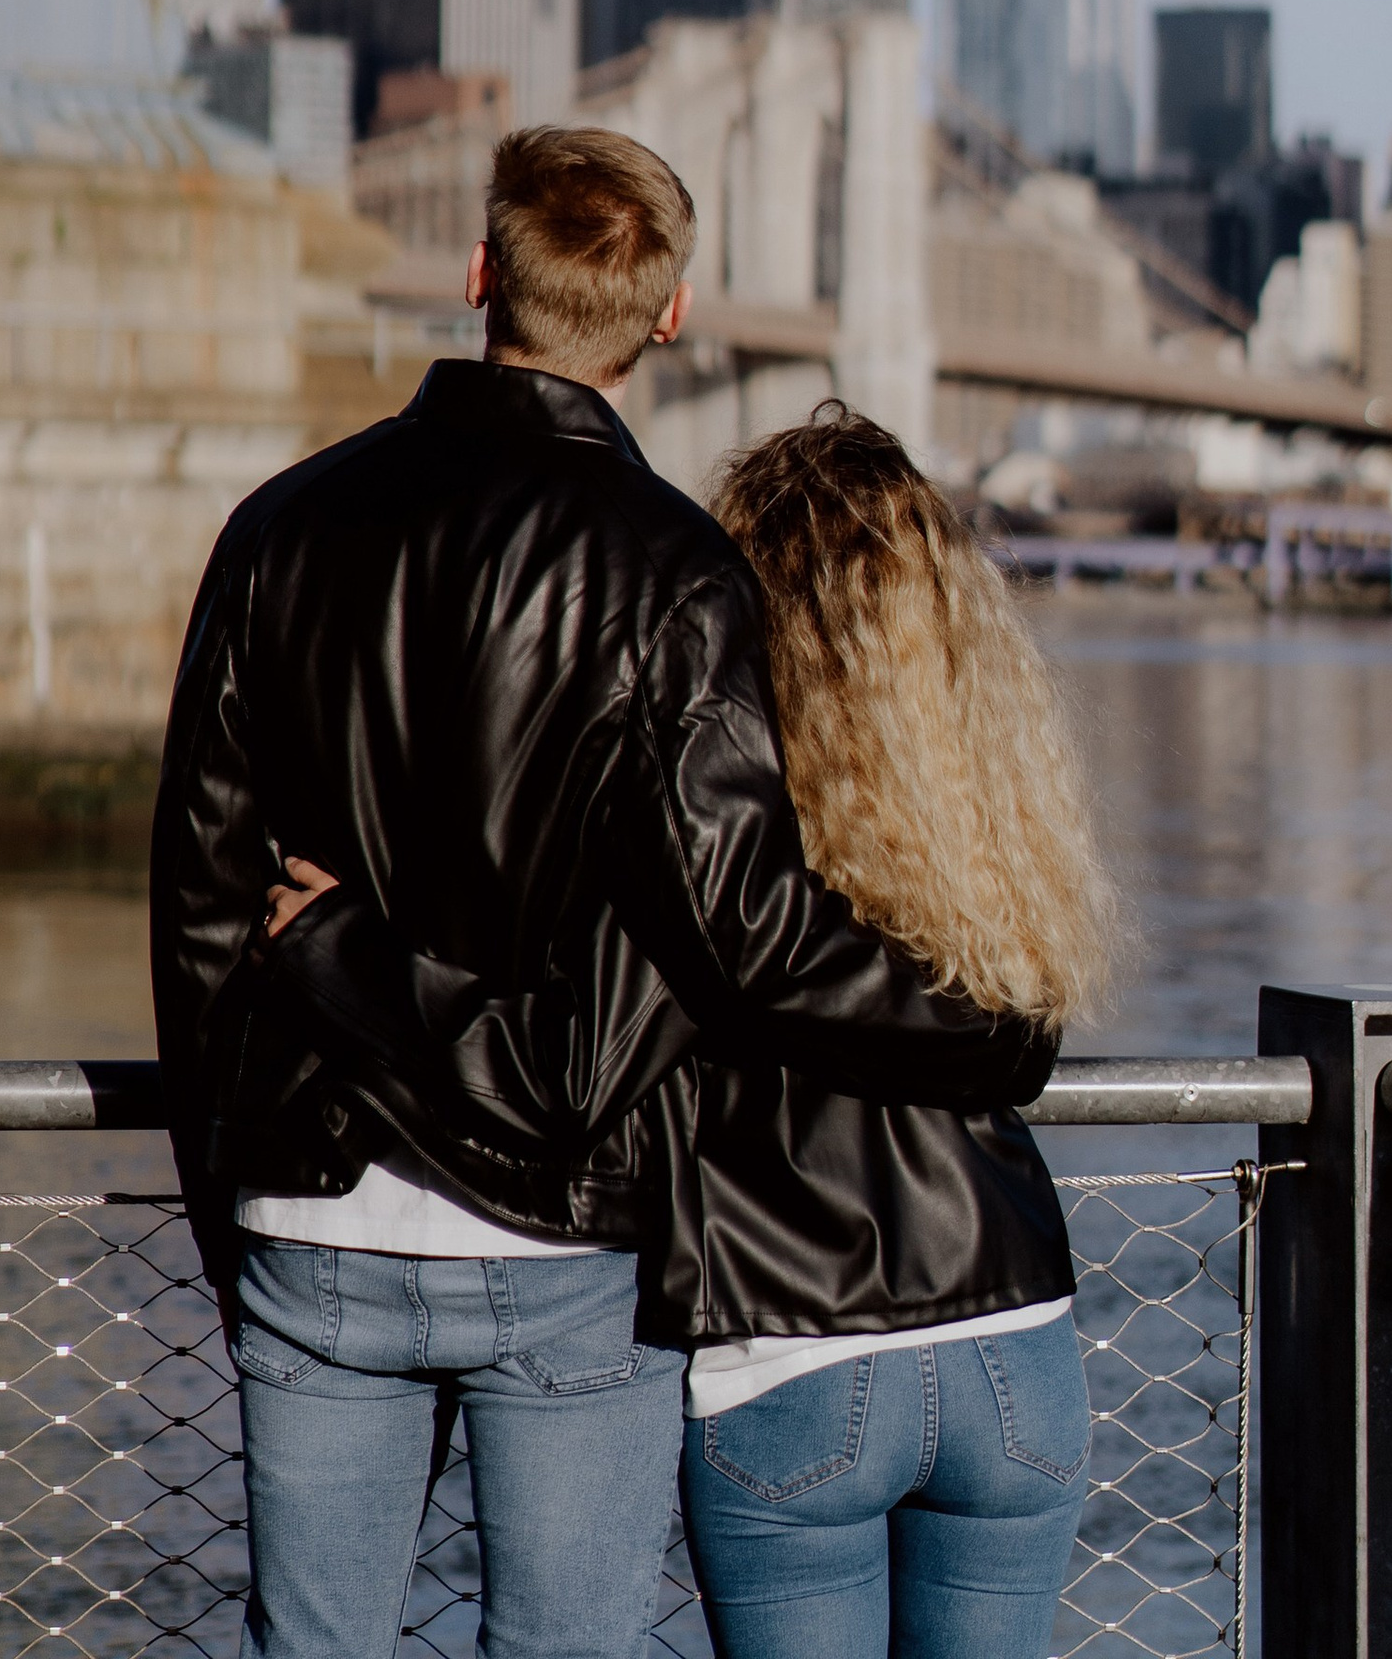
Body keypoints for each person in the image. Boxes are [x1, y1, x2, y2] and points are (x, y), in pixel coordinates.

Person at [149, 127, 1058, 1659]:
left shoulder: (276, 532)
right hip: (571, 1233)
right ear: (672, 314)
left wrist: (232, 1208)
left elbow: (197, 918)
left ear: (479, 275)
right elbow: (738, 934)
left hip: (313, 1207)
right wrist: (995, 1025)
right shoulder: (678, 574)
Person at [268, 403, 1113, 1659]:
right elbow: (1016, 1045)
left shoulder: (709, 819)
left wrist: (348, 959)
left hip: (788, 1355)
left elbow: (572, 1064)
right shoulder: (992, 833)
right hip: (1016, 1345)